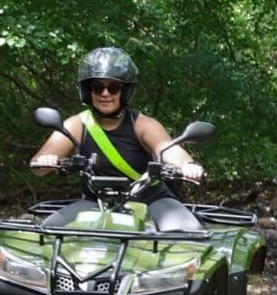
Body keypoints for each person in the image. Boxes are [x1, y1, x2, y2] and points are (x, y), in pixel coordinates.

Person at [29, 47, 204, 226]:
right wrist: (47, 160)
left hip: (151, 202)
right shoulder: (76, 125)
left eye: (113, 88)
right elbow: (38, 167)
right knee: (47, 232)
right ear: (87, 91)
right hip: (95, 203)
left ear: (125, 91)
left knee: (185, 231)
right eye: (97, 87)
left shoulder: (142, 125)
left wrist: (187, 165)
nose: (105, 94)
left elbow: (168, 149)